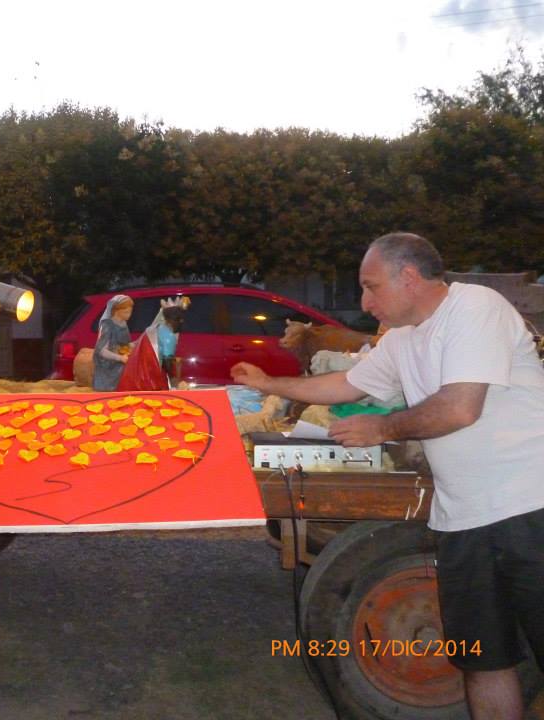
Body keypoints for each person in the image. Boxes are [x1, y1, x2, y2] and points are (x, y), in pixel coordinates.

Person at [232, 232, 544, 720]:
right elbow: (346, 383)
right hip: (462, 518)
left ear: (409, 277)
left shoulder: (475, 307)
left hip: (529, 507)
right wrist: (270, 383)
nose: (364, 302)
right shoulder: (400, 339)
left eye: (371, 286)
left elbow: (460, 408)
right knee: (483, 662)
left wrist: (382, 427)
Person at [117, 300, 187, 391]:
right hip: (149, 382)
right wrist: (174, 382)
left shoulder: (153, 329)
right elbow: (168, 362)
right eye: (179, 319)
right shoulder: (169, 336)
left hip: (133, 380)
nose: (182, 321)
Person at [92, 294, 133, 391]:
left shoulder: (123, 323)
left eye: (130, 312)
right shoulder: (107, 325)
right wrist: (119, 358)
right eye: (126, 312)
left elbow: (124, 344)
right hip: (109, 365)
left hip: (122, 358)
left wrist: (132, 345)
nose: (129, 315)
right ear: (116, 311)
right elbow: (102, 351)